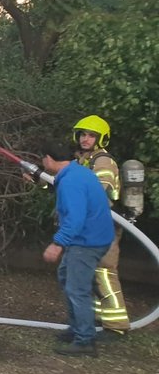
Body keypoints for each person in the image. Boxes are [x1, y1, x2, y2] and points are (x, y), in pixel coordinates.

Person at [38, 141, 116, 357]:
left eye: (43, 160)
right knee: (67, 277)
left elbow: (76, 218)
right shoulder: (77, 172)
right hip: (92, 238)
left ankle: (85, 340)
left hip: (87, 242)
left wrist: (57, 243)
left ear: (49, 158)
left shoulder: (71, 181)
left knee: (77, 289)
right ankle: (77, 329)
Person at [71, 115, 130, 336]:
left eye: (91, 135)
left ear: (101, 138)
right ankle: (98, 319)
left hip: (104, 227)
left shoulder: (103, 162)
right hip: (90, 227)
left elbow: (98, 194)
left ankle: (116, 326)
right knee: (93, 275)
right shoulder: (83, 160)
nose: (85, 139)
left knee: (105, 273)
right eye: (83, 134)